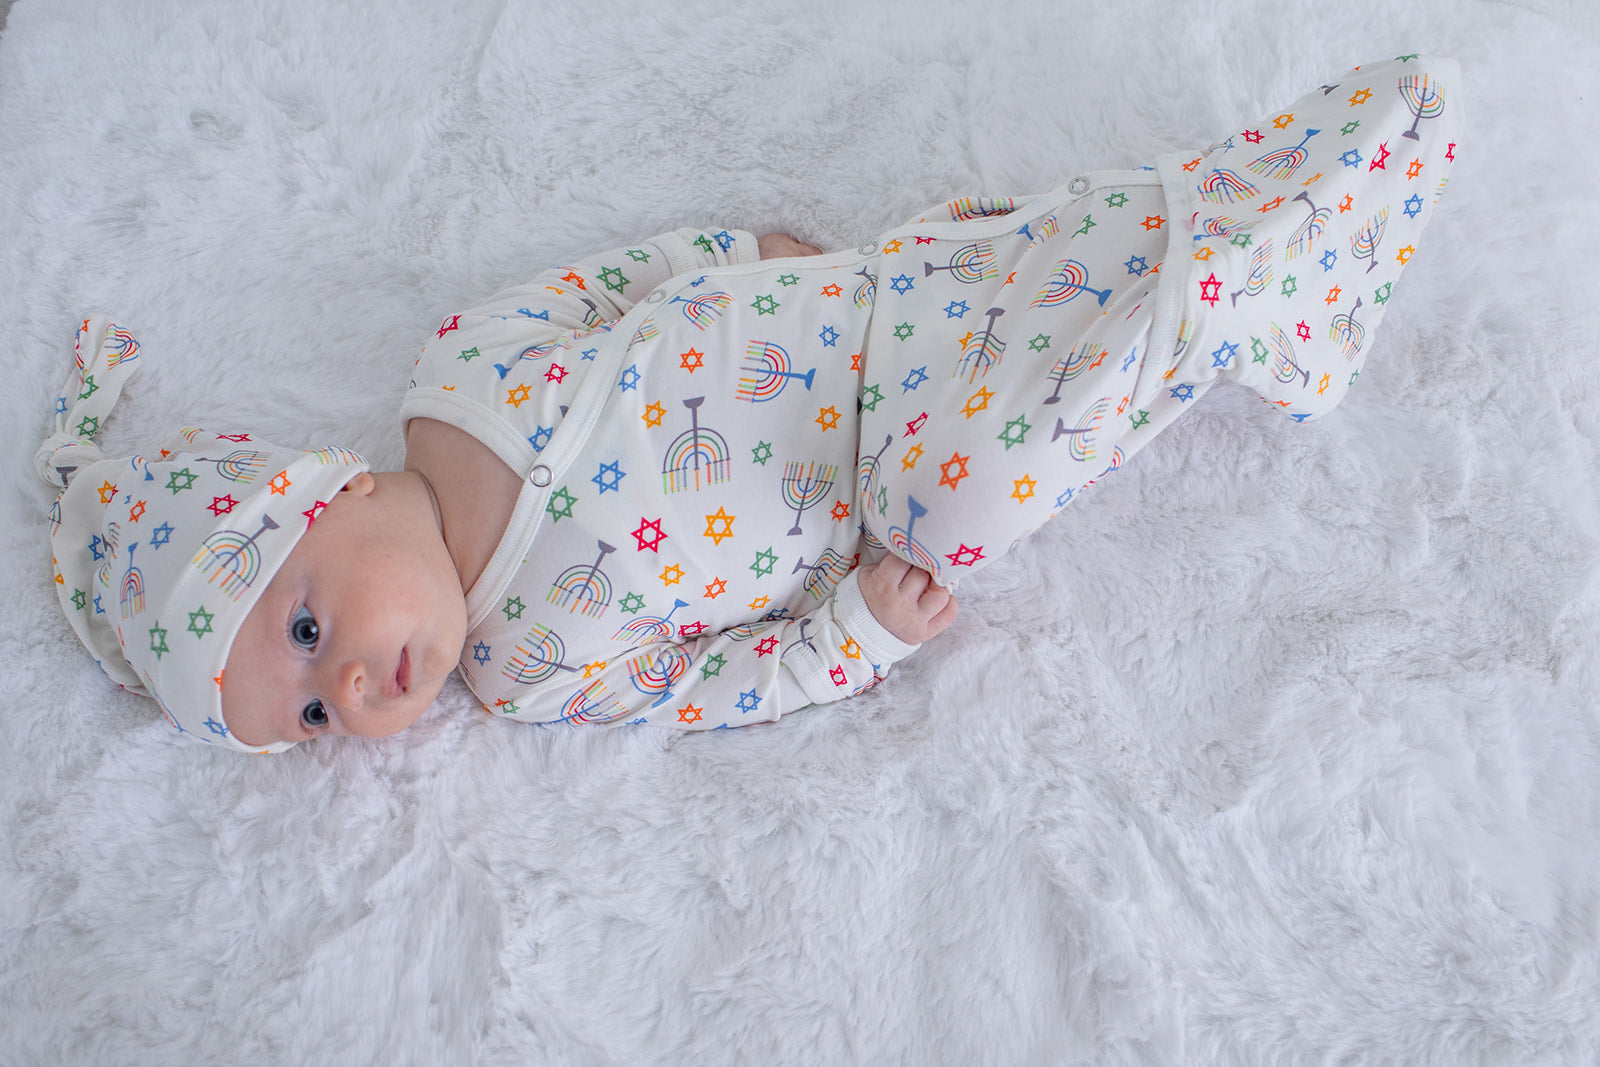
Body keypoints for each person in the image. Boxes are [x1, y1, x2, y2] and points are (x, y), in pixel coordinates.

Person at [37, 56, 1460, 753]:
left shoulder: (454, 376)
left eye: (302, 629)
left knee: (1033, 257)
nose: (350, 686)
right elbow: (715, 684)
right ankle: (1225, 306)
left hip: (868, 306)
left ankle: (1269, 199)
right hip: (882, 482)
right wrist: (857, 631)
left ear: (317, 492)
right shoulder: (529, 673)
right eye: (317, 721)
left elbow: (613, 283)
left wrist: (738, 258)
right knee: (970, 497)